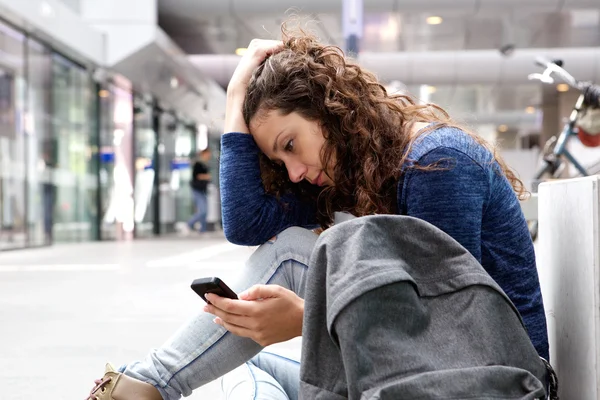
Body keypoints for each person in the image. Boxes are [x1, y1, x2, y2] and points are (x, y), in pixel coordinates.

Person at [86, 27, 550, 400]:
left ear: (330, 109)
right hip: (420, 372)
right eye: (279, 161)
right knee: (235, 363)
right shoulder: (351, 171)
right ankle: (150, 385)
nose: (296, 171)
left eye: (291, 146)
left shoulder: (437, 161)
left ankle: (144, 385)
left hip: (496, 378)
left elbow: (445, 328)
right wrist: (234, 99)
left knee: (291, 255)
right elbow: (246, 223)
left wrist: (309, 319)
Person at [186, 148, 211, 233]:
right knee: (203, 211)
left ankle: (203, 230)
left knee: (205, 211)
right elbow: (197, 176)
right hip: (197, 190)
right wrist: (206, 176)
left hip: (203, 190)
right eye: (207, 154)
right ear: (203, 154)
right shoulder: (198, 164)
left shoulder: (205, 164)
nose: (209, 156)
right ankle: (189, 224)